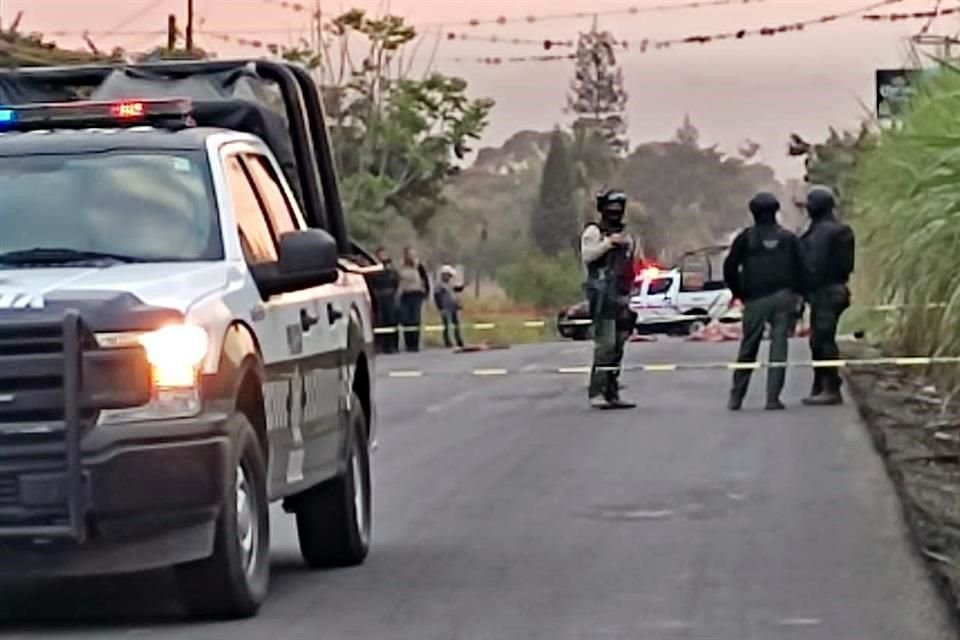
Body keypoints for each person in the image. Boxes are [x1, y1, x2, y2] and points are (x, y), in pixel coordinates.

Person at [723, 192, 809, 411]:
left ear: (753, 212)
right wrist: (799, 297)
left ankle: (737, 397)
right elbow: (803, 269)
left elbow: (729, 267)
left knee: (748, 348)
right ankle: (773, 398)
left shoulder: (745, 238)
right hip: (783, 298)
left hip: (754, 300)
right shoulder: (788, 238)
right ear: (775, 211)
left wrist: (739, 292)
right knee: (779, 348)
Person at [582, 189, 637, 410]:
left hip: (621, 295)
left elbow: (630, 263)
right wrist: (608, 243)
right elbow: (587, 256)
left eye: (619, 208)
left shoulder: (625, 235)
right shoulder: (594, 232)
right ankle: (597, 392)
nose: (615, 212)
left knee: (618, 347)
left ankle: (612, 392)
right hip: (602, 294)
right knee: (605, 345)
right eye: (611, 208)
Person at [800, 186, 855, 405]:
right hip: (834, 289)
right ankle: (822, 383)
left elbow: (815, 265)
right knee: (818, 339)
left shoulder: (823, 232)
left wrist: (803, 287)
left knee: (823, 340)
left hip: (826, 290)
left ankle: (830, 387)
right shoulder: (835, 230)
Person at [397, 246, 430, 352]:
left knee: (415, 319)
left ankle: (415, 344)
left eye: (412, 254)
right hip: (405, 295)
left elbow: (425, 280)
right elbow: (398, 281)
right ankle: (408, 343)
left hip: (416, 294)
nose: (410, 256)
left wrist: (426, 293)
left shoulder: (419, 266)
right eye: (408, 254)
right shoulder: (401, 267)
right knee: (406, 320)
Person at [372, 247, 400, 354]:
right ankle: (383, 346)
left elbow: (396, 281)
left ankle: (394, 345)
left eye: (384, 254)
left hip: (390, 296)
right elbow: (372, 282)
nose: (382, 256)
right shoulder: (374, 268)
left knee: (392, 321)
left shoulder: (391, 268)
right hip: (379, 296)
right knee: (381, 322)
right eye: (380, 254)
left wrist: (394, 293)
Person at [434, 264, 466, 349]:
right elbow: (436, 297)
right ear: (444, 275)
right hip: (445, 308)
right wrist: (440, 308)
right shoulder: (439, 285)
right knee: (446, 325)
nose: (449, 277)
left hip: (453, 306)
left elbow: (455, 290)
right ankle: (447, 341)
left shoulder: (450, 283)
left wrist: (462, 287)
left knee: (456, 324)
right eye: (448, 275)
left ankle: (459, 340)